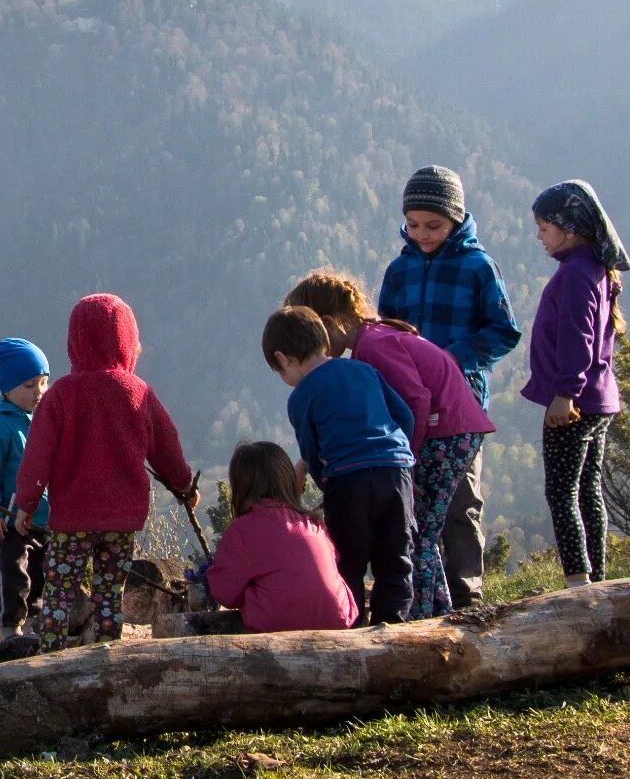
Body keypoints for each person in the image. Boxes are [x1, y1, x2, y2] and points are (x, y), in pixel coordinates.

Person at [284, 271, 496, 618]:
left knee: (420, 532)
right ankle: (438, 608)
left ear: (326, 325)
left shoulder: (373, 347)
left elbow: (416, 400)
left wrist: (404, 460)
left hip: (446, 431)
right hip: (451, 428)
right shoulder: (371, 341)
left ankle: (421, 617)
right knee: (420, 527)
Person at [12, 294, 197, 646]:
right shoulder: (138, 392)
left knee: (59, 595)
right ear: (128, 340)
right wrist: (184, 486)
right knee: (110, 595)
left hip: (73, 520)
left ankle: (48, 657)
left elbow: (38, 455)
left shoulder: (62, 394)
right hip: (121, 521)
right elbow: (167, 448)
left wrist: (27, 502)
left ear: (75, 342)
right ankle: (106, 654)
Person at [376, 165, 521, 608]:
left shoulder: (478, 267)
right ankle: (425, 596)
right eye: (413, 225)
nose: (422, 234)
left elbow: (504, 331)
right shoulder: (399, 271)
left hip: (460, 407)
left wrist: (452, 358)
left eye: (434, 225)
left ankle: (467, 595)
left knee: (460, 502)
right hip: (410, 406)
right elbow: (386, 333)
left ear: (456, 218)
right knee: (414, 501)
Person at [262, 305, 417, 624]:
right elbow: (405, 417)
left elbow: (311, 447)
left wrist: (323, 482)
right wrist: (396, 454)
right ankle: (395, 628)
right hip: (396, 471)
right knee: (396, 561)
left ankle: (352, 629)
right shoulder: (363, 370)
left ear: (282, 359)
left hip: (348, 481)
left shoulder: (302, 395)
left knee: (348, 563)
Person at [523, 181, 630, 587]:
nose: (539, 236)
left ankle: (578, 581)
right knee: (588, 491)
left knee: (563, 493)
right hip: (600, 399)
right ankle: (596, 577)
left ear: (567, 229)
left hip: (575, 403)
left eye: (543, 227)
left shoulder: (575, 274)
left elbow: (576, 335)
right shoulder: (596, 269)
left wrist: (564, 393)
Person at [206, 440, 359, 632]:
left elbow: (223, 592)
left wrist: (252, 594)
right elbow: (332, 561)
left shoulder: (242, 531)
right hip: (339, 620)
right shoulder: (313, 523)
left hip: (278, 630)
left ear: (240, 488)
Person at [0, 337, 51, 637]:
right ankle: (9, 628)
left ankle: (33, 624)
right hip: (7, 523)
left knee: (41, 575)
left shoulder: (41, 422)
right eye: (29, 385)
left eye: (43, 382)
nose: (39, 392)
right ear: (7, 388)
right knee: (13, 577)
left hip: (40, 520)